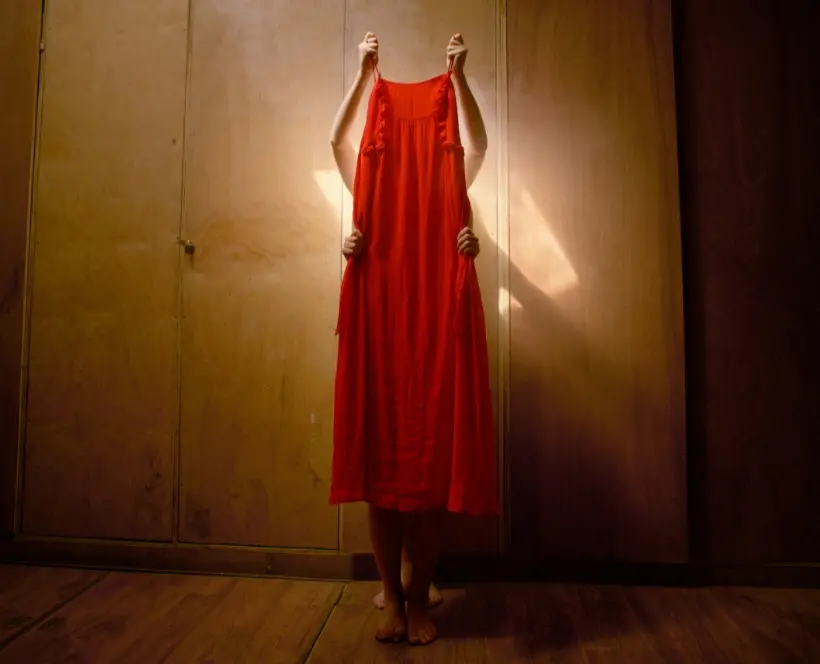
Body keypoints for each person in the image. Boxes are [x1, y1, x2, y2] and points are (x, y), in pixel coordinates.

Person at [329, 32, 490, 646]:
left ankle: (418, 593)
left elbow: (477, 143)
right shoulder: (366, 174)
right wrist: (364, 75)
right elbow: (336, 141)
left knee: (426, 473)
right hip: (381, 312)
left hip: (433, 318)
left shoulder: (453, 173)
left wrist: (462, 79)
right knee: (379, 470)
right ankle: (394, 595)